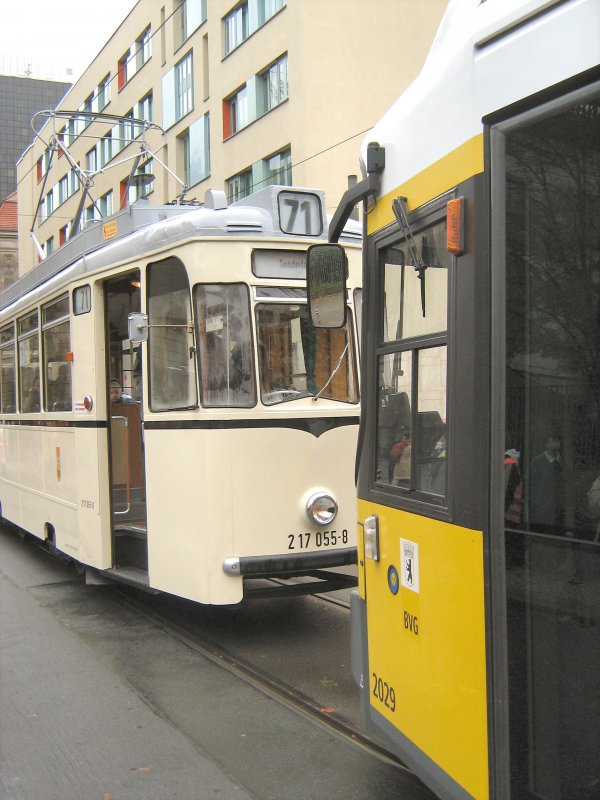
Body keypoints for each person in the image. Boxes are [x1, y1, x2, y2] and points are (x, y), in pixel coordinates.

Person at [526, 434, 564, 533]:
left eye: (557, 441)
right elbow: (529, 481)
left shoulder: (563, 461)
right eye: (553, 441)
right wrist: (535, 500)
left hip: (558, 506)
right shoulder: (537, 461)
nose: (555, 444)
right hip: (541, 506)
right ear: (546, 444)